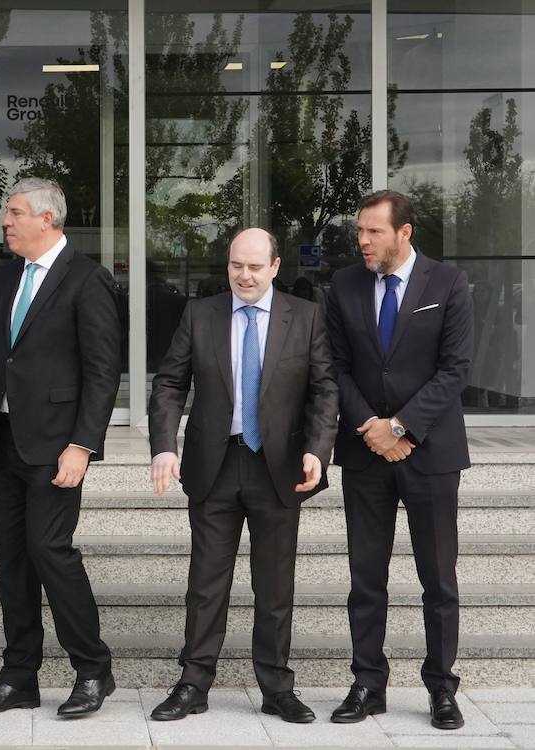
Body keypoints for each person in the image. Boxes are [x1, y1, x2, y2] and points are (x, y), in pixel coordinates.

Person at [145, 228, 338, 723]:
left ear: (275, 267)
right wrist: (164, 447)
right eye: (236, 266)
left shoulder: (306, 316)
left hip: (279, 468)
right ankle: (193, 682)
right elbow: (169, 383)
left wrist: (319, 450)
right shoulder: (200, 314)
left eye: (255, 266)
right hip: (215, 464)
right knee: (206, 583)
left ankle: (276, 687)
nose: (244, 276)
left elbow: (323, 391)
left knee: (275, 585)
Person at [0, 177, 122, 718]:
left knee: (50, 551)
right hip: (4, 444)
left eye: (13, 213)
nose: (5, 222)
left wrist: (83, 446)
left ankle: (94, 671)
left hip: (57, 448)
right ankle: (19, 677)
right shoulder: (3, 277)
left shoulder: (87, 278)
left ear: (47, 218)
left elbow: (103, 373)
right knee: (11, 561)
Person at [325, 190, 474, 730]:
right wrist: (372, 428)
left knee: (438, 579)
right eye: (360, 232)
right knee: (366, 578)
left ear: (404, 232)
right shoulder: (343, 285)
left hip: (430, 454)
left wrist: (402, 427)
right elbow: (335, 368)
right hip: (366, 453)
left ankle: (441, 687)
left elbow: (456, 370)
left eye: (374, 232)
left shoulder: (448, 284)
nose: (362, 241)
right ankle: (367, 683)